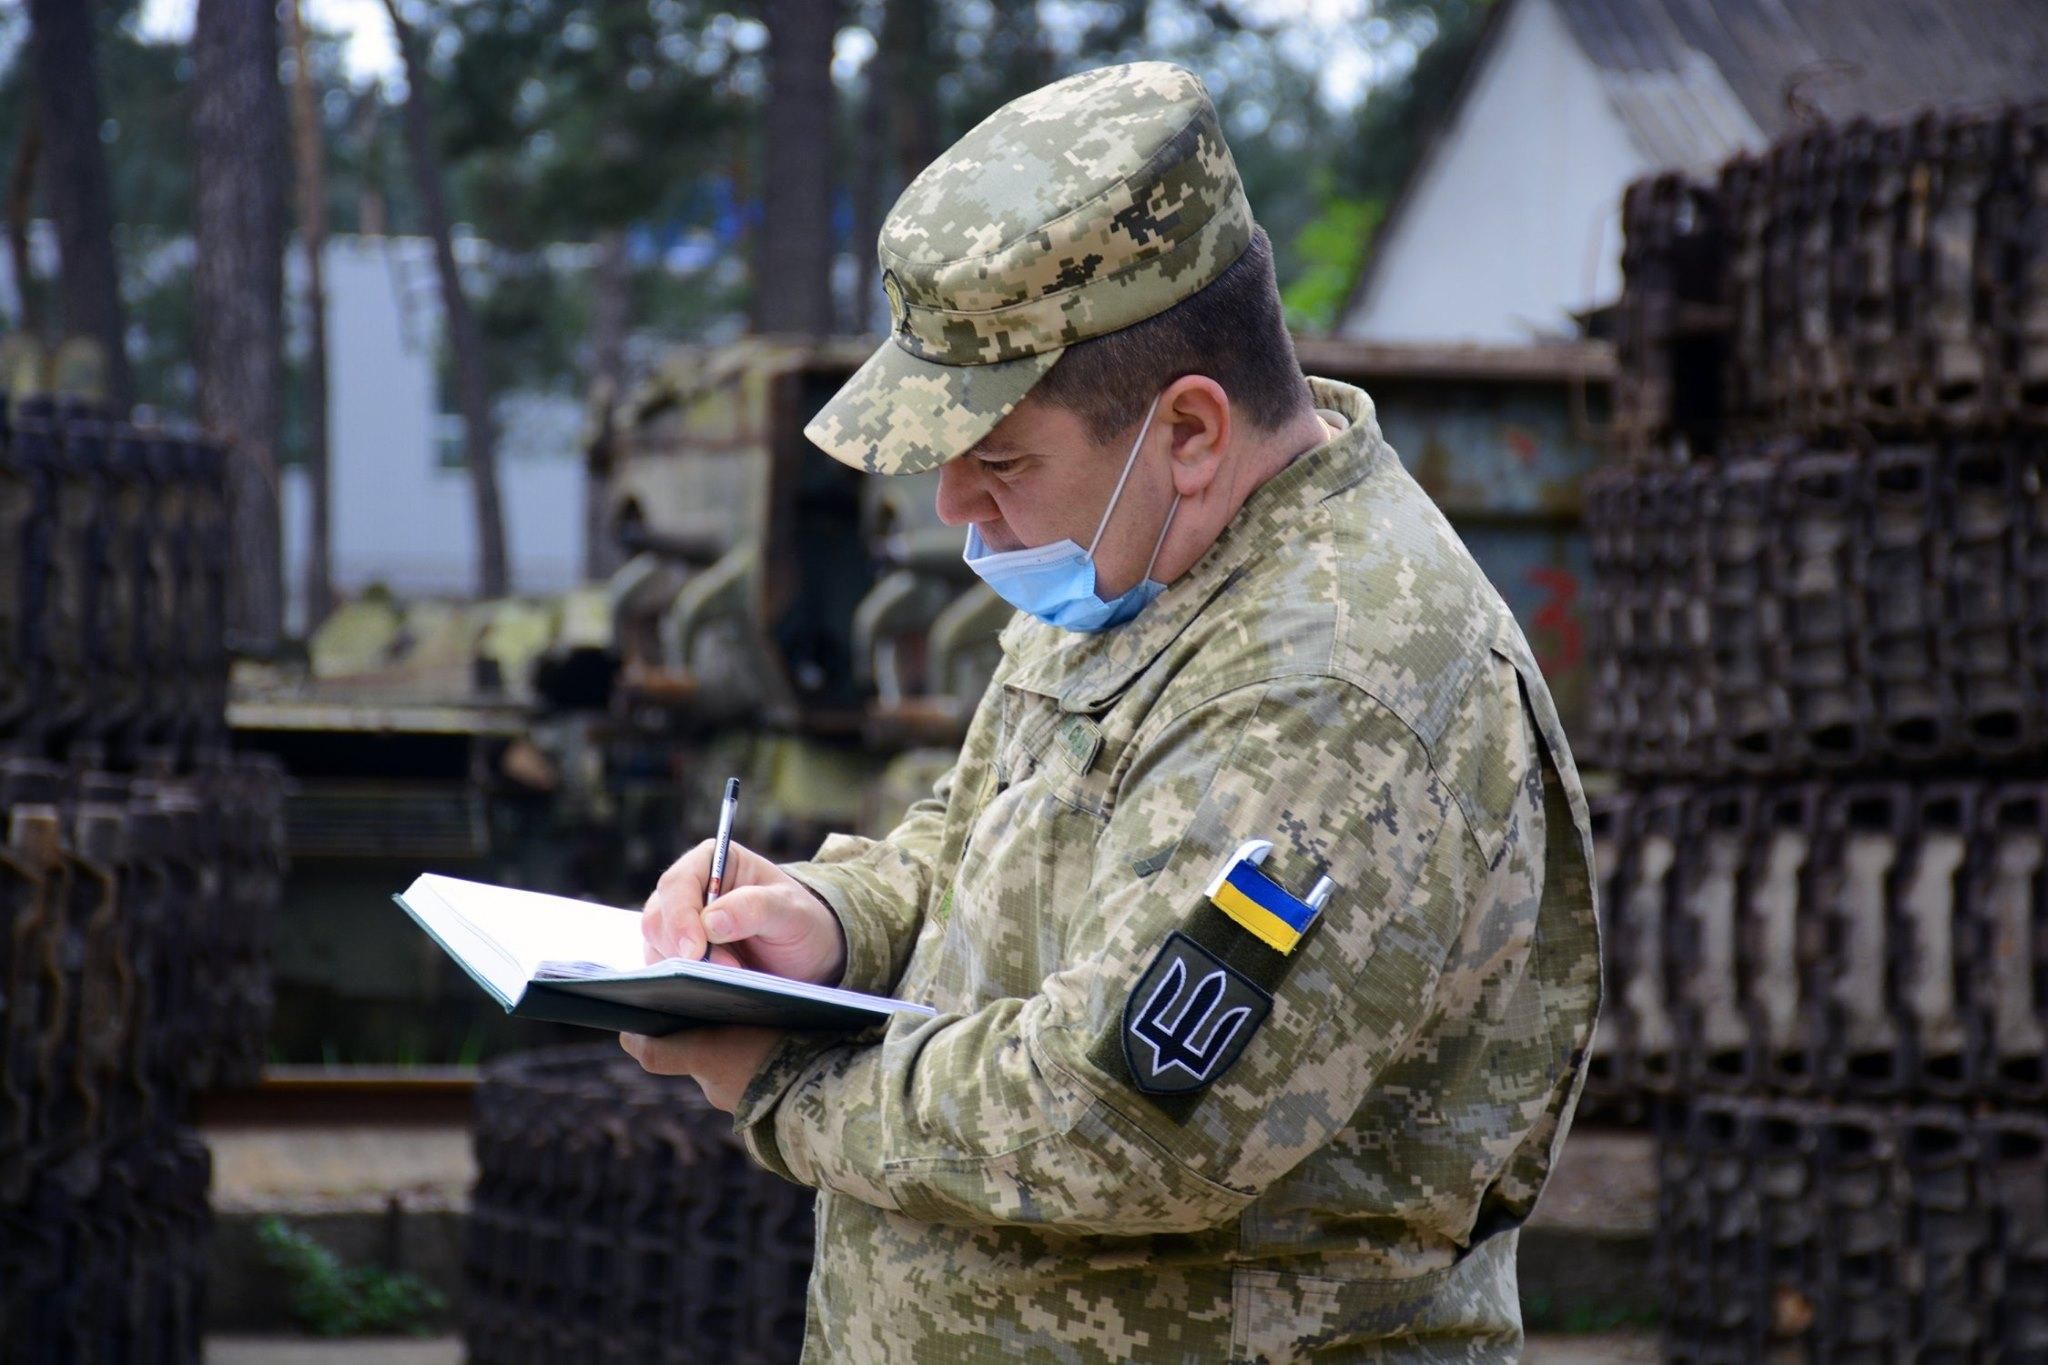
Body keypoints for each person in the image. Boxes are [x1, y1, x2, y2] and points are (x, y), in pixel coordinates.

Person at [622, 60, 1601, 1362]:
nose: (955, 509)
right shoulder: (1148, 549)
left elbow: (1132, 1118)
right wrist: (831, 918)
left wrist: (787, 1084)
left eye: (1001, 460)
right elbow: (984, 836)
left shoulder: (1336, 686)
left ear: (1189, 428)